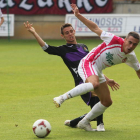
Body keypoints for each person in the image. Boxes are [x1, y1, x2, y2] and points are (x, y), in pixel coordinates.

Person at [53, 3, 140, 131]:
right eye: (130, 42)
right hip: (88, 62)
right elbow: (95, 28)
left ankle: (84, 122)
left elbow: (138, 71)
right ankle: (62, 98)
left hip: (97, 70)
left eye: (134, 45)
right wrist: (78, 15)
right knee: (94, 84)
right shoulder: (114, 40)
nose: (131, 46)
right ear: (125, 39)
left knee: (107, 101)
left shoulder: (131, 57)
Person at [24, 21, 119, 131]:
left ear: (74, 31)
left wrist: (107, 80)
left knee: (100, 106)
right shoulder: (63, 50)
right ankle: (100, 126)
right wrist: (34, 33)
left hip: (91, 78)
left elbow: (93, 67)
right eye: (66, 33)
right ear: (62, 36)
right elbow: (47, 48)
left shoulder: (84, 47)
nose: (70, 34)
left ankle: (73, 122)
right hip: (81, 82)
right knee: (96, 93)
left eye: (71, 31)